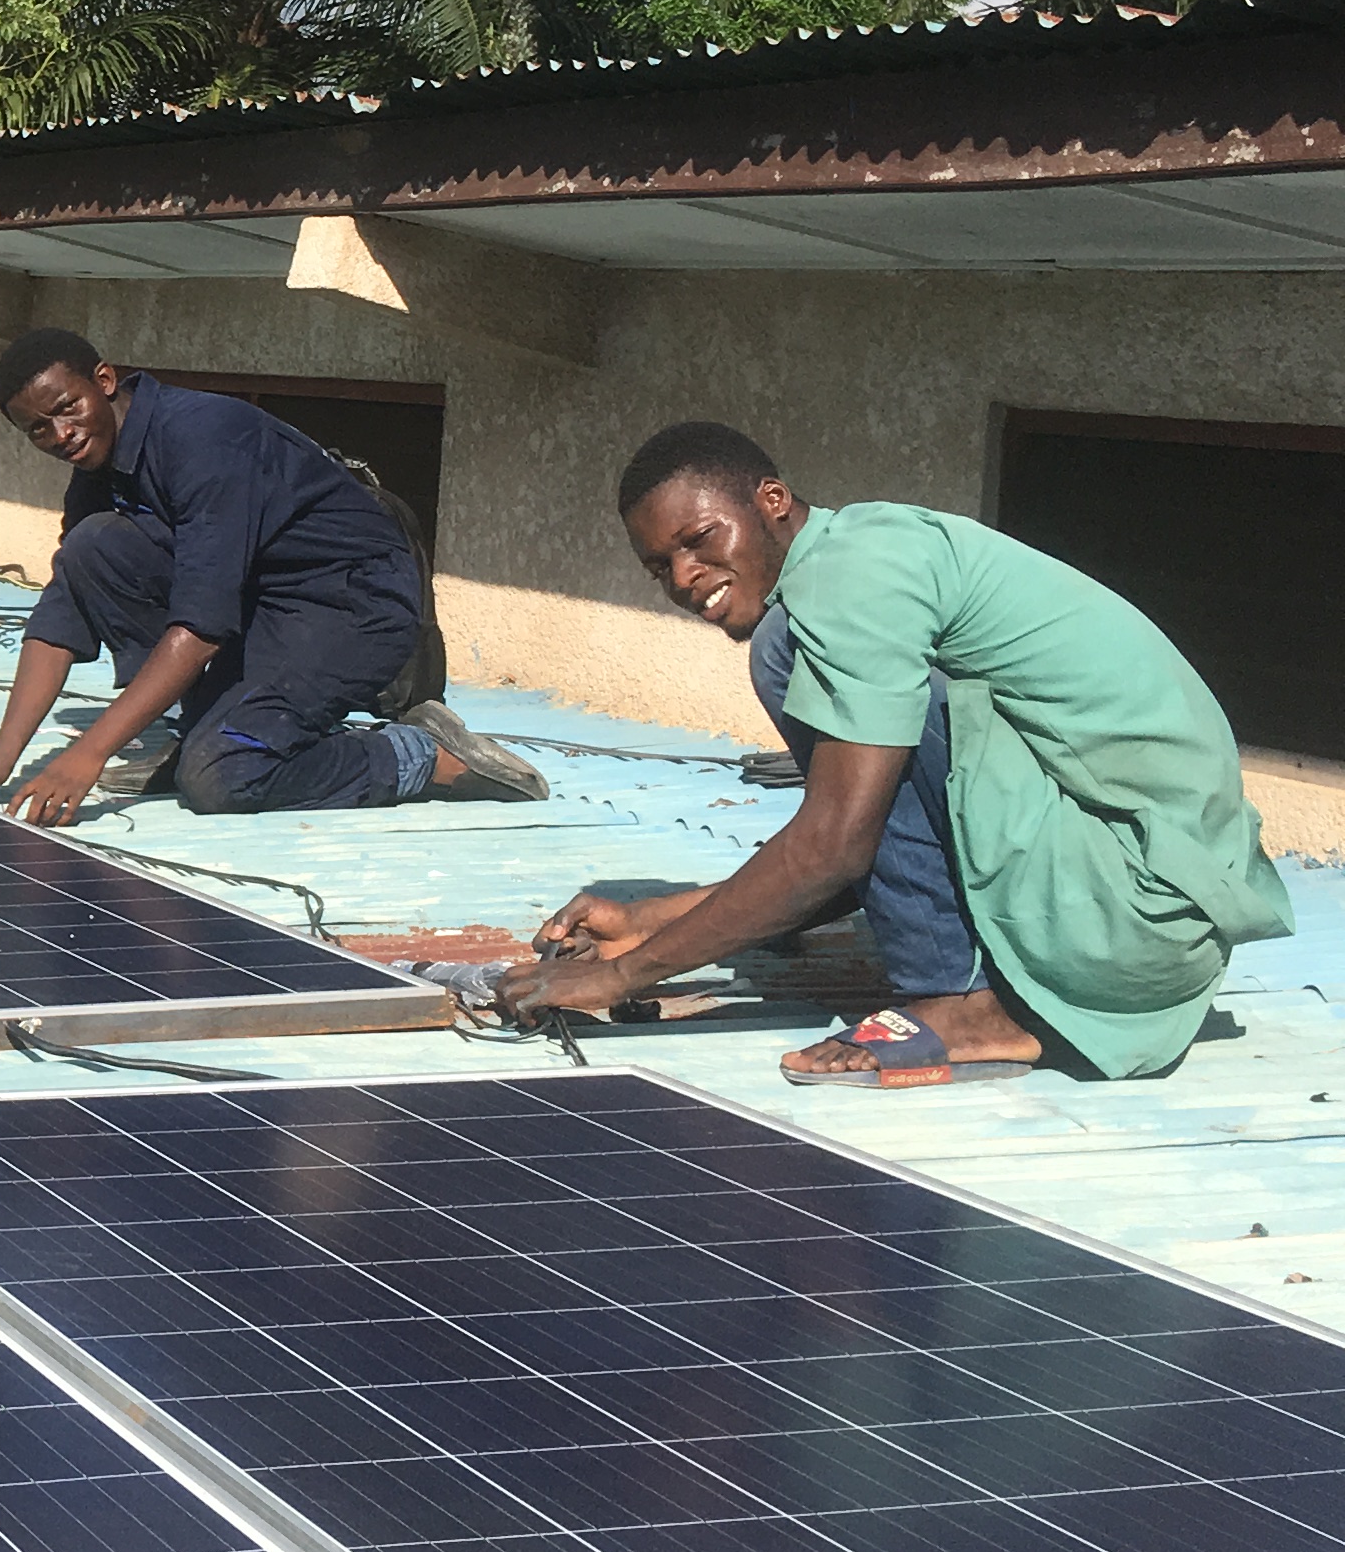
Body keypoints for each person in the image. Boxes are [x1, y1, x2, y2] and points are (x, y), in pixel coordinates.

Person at [503, 422, 1292, 1082]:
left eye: (699, 540)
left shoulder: (843, 590)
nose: (683, 577)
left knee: (788, 658)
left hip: (1130, 919)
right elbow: (880, 835)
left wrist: (617, 976)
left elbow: (838, 846)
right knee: (860, 732)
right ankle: (974, 988)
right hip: (1150, 919)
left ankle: (960, 999)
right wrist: (648, 917)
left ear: (772, 501)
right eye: (657, 565)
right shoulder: (864, 550)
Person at [0, 328, 544, 823]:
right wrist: (1, 758)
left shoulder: (204, 437)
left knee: (219, 779)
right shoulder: (98, 466)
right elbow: (63, 611)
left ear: (104, 381)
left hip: (348, 608)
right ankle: (207, 725)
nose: (61, 435)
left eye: (66, 409)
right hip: (263, 604)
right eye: (37, 430)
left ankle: (421, 753)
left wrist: (90, 751)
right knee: (92, 547)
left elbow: (201, 622)